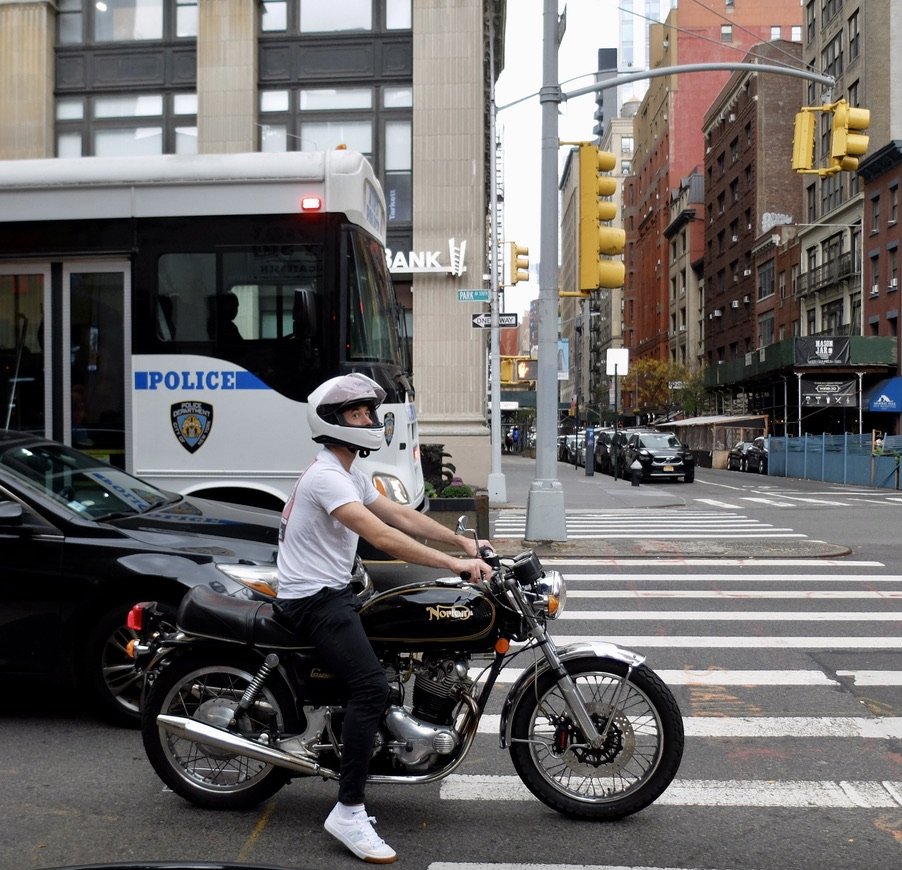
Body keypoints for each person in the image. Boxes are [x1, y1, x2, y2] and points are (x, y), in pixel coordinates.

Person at [274, 372, 493, 864]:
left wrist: (462, 541)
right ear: (334, 422)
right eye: (359, 414)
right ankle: (348, 810)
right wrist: (456, 565)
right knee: (369, 687)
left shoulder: (346, 470)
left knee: (400, 640)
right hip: (313, 599)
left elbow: (398, 514)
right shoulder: (327, 477)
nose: (371, 420)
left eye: (369, 412)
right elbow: (384, 537)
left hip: (339, 587)